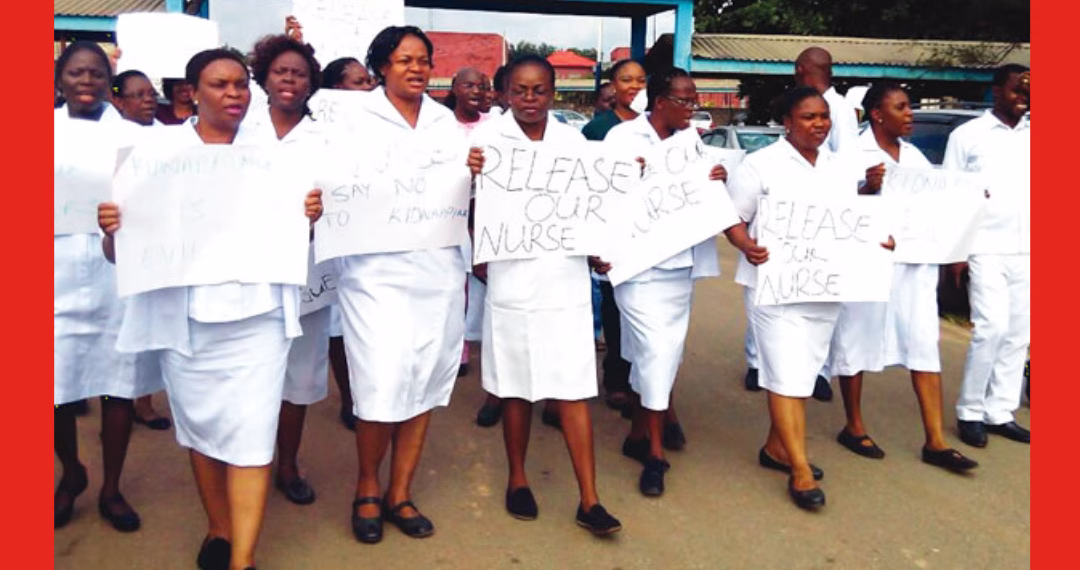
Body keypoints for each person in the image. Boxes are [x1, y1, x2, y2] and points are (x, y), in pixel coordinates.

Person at [99, 47, 323, 570]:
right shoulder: (154, 153)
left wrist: (308, 216)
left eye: (240, 84)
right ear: (191, 93)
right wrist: (113, 230)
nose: (233, 95)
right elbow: (119, 255)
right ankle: (218, 528)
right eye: (219, 85)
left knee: (250, 435)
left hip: (258, 322)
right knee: (202, 429)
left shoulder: (274, 153)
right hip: (188, 323)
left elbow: (291, 237)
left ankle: (241, 558)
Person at [464, 54, 624, 535]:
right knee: (515, 386)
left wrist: (599, 248)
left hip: (564, 280)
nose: (529, 100)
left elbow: (594, 207)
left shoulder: (573, 143)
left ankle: (589, 498)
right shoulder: (488, 141)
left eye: (539, 91)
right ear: (506, 93)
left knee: (573, 386)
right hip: (511, 278)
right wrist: (470, 173)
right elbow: (466, 204)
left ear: (553, 93)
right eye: (520, 91)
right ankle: (517, 478)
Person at [726, 86, 890, 510]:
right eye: (808, 117)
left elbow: (847, 223)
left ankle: (775, 448)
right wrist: (746, 246)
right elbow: (733, 220)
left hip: (823, 289)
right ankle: (799, 468)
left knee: (801, 373)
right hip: (773, 288)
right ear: (787, 122)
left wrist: (877, 237)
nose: (819, 124)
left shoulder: (839, 167)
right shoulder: (759, 165)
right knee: (783, 373)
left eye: (824, 117)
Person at [339, 25, 467, 544]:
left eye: (423, 59)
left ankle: (401, 490)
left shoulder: (443, 122)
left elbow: (458, 188)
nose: (416, 68)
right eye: (404, 59)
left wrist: (475, 173)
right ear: (382, 67)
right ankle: (367, 484)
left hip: (437, 272)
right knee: (380, 380)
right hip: (376, 274)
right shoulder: (352, 119)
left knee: (424, 380)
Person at [601, 67, 754, 496]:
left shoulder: (694, 147)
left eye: (695, 100)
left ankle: (638, 430)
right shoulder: (622, 139)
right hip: (637, 267)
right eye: (685, 100)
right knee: (656, 350)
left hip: (678, 268)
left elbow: (711, 205)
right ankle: (654, 452)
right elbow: (602, 196)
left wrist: (717, 184)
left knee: (649, 352)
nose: (692, 108)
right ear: (660, 100)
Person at [827, 82, 978, 472]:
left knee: (923, 343)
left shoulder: (914, 157)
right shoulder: (851, 154)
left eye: (909, 107)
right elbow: (831, 209)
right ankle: (853, 424)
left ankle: (935, 440)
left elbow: (936, 203)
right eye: (901, 107)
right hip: (869, 264)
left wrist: (973, 199)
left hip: (914, 266)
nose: (910, 114)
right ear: (877, 114)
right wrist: (865, 188)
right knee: (856, 341)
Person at [54, 40, 162, 534]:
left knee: (118, 383)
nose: (86, 82)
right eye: (76, 74)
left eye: (97, 75)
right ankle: (70, 472)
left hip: (115, 271)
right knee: (55, 385)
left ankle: (111, 488)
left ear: (109, 84)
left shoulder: (134, 137)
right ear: (59, 80)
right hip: (52, 272)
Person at [246, 33, 331, 506]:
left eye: (299, 73)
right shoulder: (241, 130)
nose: (290, 80)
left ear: (310, 82)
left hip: (307, 274)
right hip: (251, 274)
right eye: (281, 71)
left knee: (298, 379)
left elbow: (347, 204)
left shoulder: (326, 138)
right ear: (263, 76)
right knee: (252, 373)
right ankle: (250, 461)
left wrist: (326, 216)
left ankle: (288, 463)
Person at [946, 64, 1030, 447]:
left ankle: (1000, 411)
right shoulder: (969, 136)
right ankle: (970, 410)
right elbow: (952, 194)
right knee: (991, 328)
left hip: (1029, 247)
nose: (1025, 96)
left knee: (1018, 335)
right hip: (984, 246)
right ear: (996, 92)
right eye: (1018, 89)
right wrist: (957, 249)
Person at [109, 69, 176, 432]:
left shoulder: (170, 136)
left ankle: (144, 401)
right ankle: (119, 399)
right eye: (137, 94)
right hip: (117, 239)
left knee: (150, 322)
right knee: (121, 325)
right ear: (118, 101)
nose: (148, 99)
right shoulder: (112, 136)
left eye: (151, 93)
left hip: (158, 239)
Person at [581, 59, 645, 414]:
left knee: (646, 314)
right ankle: (618, 379)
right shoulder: (597, 129)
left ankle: (645, 383)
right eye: (625, 80)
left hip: (650, 232)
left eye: (640, 80)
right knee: (615, 307)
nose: (633, 86)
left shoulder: (659, 125)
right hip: (611, 230)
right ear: (614, 85)